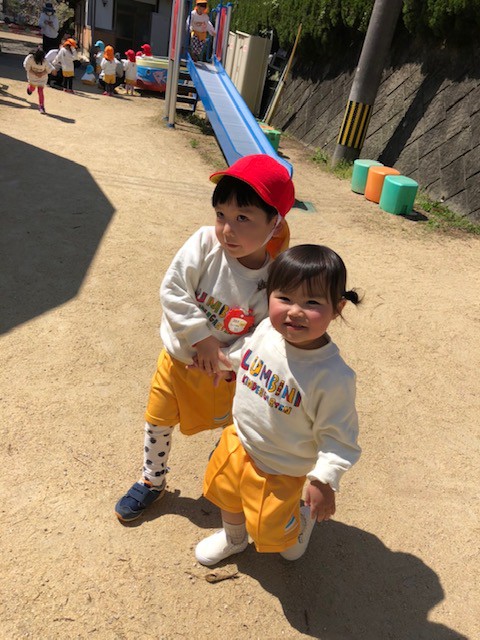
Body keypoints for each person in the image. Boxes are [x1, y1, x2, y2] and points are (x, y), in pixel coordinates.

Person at [114, 154, 295, 523]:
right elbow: (173, 289)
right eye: (221, 215)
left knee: (234, 426)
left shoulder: (275, 278)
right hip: (178, 359)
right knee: (158, 420)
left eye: (243, 218)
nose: (227, 229)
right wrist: (202, 339)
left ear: (274, 223)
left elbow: (264, 332)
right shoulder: (203, 243)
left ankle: (225, 468)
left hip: (224, 375)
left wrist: (226, 359)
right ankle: (152, 479)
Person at [194, 244, 362, 566]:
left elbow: (339, 437)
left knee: (287, 548)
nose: (295, 311)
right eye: (284, 298)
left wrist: (323, 480)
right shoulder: (267, 330)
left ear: (337, 307)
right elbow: (246, 352)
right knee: (227, 495)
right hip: (240, 441)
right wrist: (222, 361)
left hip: (281, 468)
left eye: (312, 302)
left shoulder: (332, 376)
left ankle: (300, 522)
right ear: (269, 295)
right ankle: (234, 538)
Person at [23, 47, 53, 114]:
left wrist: (42, 73)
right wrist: (35, 73)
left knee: (40, 91)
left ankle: (41, 106)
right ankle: (29, 89)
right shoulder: (30, 58)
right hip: (32, 77)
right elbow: (27, 67)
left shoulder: (45, 61)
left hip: (42, 78)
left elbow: (49, 70)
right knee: (32, 88)